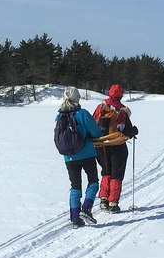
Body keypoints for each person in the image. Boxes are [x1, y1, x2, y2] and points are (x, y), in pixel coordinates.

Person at [56, 86, 104, 228]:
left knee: (75, 185)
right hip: (87, 153)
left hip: (69, 157)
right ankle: (87, 208)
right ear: (77, 98)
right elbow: (96, 132)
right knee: (93, 181)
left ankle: (75, 218)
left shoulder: (59, 116)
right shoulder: (82, 113)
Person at [93, 84, 137, 212]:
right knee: (116, 173)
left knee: (106, 171)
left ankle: (103, 199)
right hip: (117, 145)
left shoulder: (100, 107)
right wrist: (134, 131)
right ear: (121, 95)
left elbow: (92, 122)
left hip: (101, 145)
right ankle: (113, 202)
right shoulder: (122, 110)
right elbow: (127, 131)